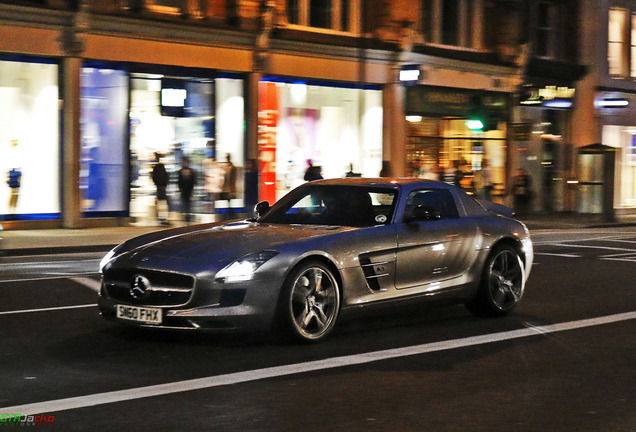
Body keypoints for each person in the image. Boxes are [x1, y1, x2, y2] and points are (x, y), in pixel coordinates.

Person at [151, 152, 170, 226]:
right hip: (162, 187)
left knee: (160, 203)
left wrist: (157, 184)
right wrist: (164, 185)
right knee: (163, 203)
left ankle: (161, 217)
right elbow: (166, 176)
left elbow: (154, 177)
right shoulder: (161, 167)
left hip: (159, 187)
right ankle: (163, 217)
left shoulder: (156, 167)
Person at [177, 156, 197, 223]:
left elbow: (193, 182)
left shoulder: (190, 171)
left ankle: (187, 216)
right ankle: (186, 216)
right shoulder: (182, 171)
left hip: (188, 191)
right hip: (184, 191)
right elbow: (179, 181)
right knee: (185, 204)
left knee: (188, 204)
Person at [221, 153, 238, 219]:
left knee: (230, 203)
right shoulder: (225, 167)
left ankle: (231, 217)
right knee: (226, 203)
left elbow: (233, 179)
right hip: (226, 188)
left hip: (230, 188)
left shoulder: (233, 167)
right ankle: (228, 216)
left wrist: (233, 190)